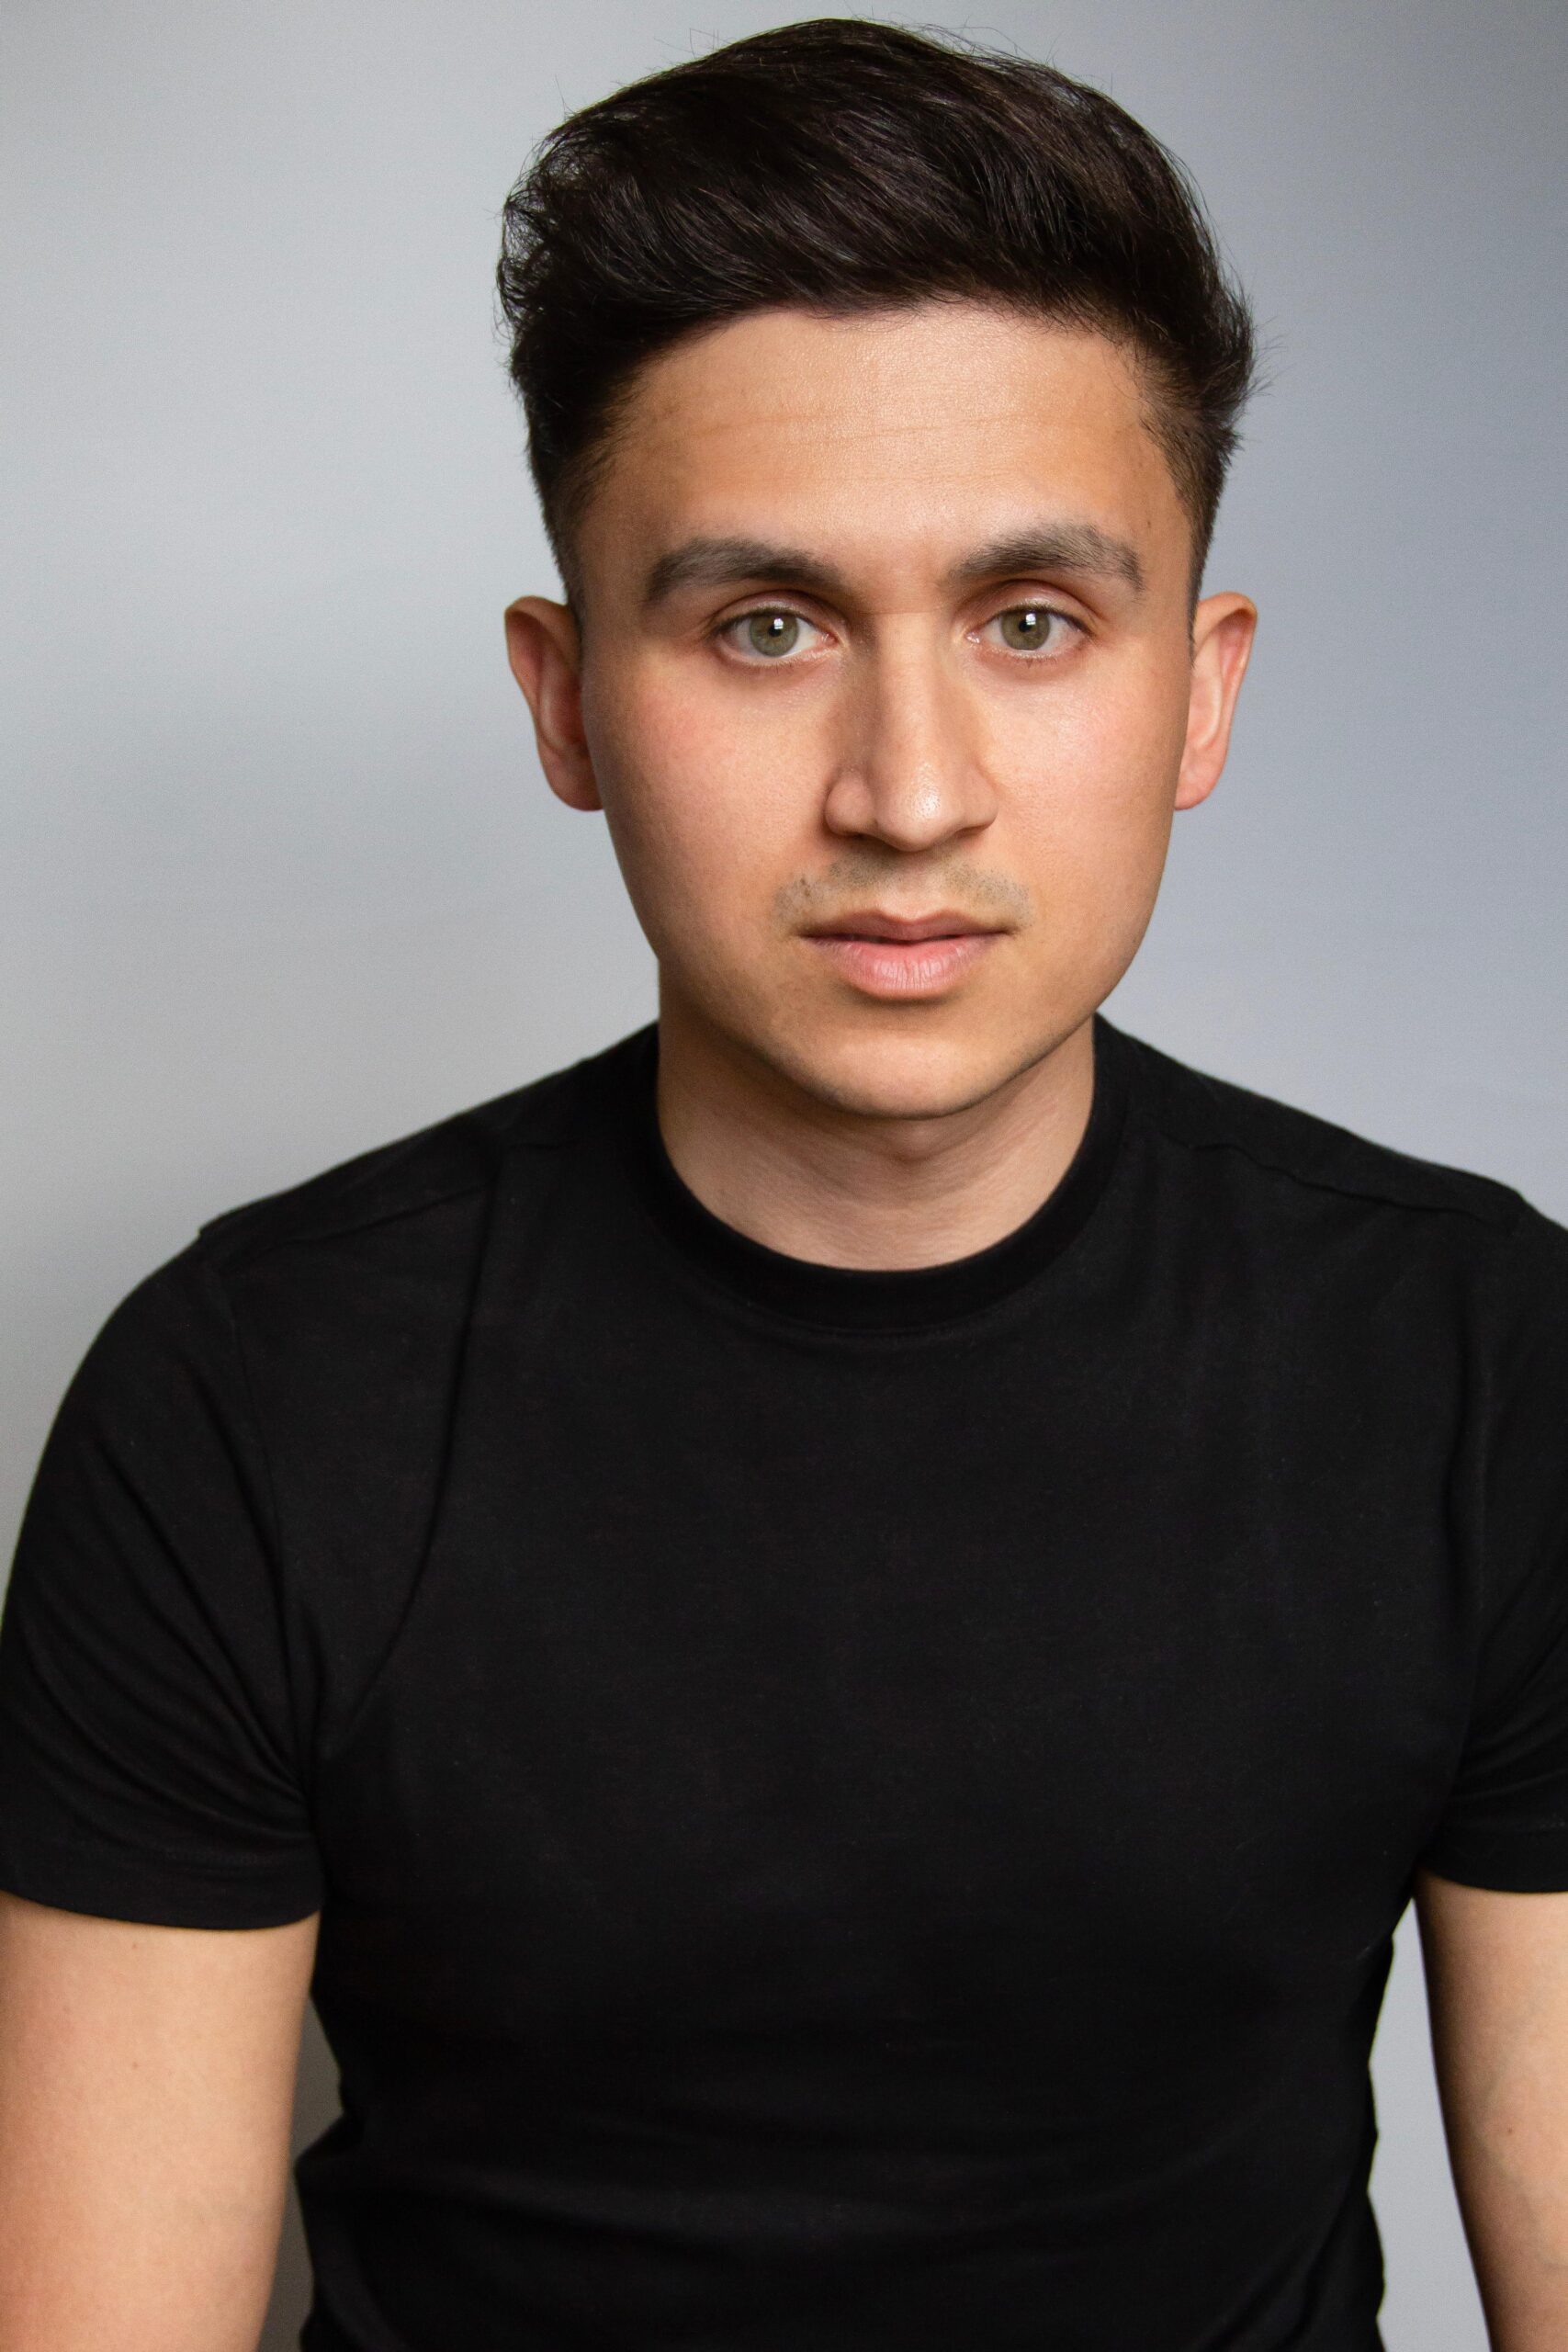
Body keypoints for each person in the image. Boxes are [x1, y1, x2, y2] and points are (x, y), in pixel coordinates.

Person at [0, 17, 1563, 2349]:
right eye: (764, 626)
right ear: (565, 701)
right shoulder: (244, 1398)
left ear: (1198, 689)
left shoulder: (1484, 1364)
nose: (906, 791)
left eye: (1029, 622)